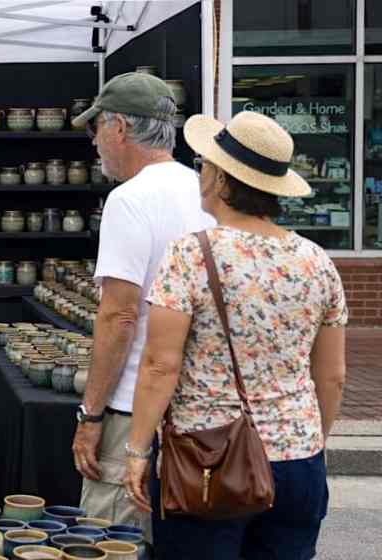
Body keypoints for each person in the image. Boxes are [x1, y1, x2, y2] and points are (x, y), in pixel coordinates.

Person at [123, 111, 347, 559]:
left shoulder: (191, 255)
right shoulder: (317, 261)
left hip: (207, 457)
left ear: (223, 181)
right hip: (298, 459)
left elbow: (161, 365)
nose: (200, 172)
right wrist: (304, 442)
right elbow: (333, 376)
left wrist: (136, 450)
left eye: (205, 165)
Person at [68, 72, 215, 533]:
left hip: (135, 405)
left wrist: (90, 414)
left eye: (97, 130)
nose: (95, 144)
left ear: (120, 129)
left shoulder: (128, 200)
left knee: (111, 536)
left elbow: (119, 316)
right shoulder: (207, 193)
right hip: (203, 405)